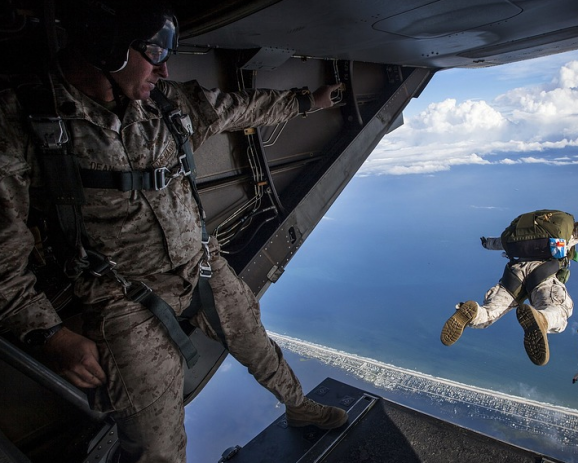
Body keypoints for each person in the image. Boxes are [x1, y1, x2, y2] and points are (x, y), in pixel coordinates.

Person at [0, 2, 346, 462]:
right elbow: (4, 256)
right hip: (119, 295)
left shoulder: (168, 105)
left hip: (200, 264)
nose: (164, 68)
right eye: (153, 52)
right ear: (107, 49)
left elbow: (241, 107)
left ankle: (299, 408)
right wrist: (49, 334)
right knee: (155, 444)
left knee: (257, 344)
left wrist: (309, 102)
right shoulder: (23, 120)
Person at [440, 211, 578, 366]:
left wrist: (485, 243)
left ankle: (474, 312)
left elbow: (498, 243)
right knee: (560, 312)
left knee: (489, 315)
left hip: (514, 272)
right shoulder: (570, 232)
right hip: (543, 273)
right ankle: (543, 320)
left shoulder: (520, 237)